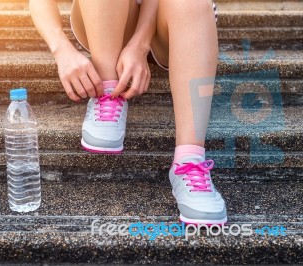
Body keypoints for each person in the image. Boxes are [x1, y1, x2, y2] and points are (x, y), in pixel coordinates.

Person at [29, 0, 227, 225]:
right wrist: (62, 50)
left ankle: (190, 161)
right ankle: (109, 89)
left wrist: (140, 45)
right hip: (106, 18)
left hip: (174, 22)